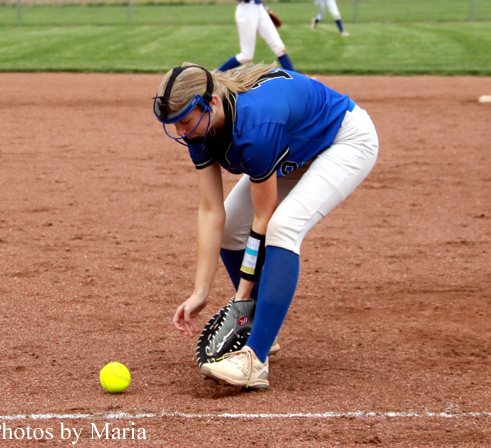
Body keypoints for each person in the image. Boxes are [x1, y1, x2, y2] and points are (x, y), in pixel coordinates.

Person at [153, 63, 378, 389]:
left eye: (184, 121)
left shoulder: (255, 126)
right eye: (173, 123)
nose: (180, 131)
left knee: (283, 228)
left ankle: (255, 358)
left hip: (343, 141)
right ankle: (260, 329)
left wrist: (241, 297)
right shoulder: (199, 124)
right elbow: (211, 210)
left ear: (211, 103)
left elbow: (263, 218)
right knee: (230, 229)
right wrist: (200, 292)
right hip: (293, 149)